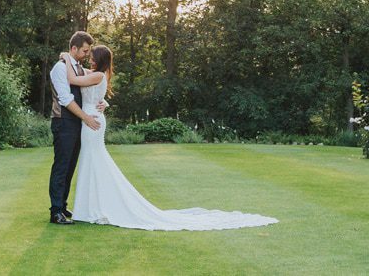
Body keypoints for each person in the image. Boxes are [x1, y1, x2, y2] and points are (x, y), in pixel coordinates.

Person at [59, 45, 277, 231]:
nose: (89, 59)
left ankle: (92, 208)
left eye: (92, 56)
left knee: (94, 160)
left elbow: (72, 78)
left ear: (100, 59)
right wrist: (103, 100)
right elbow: (83, 78)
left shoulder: (97, 75)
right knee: (91, 160)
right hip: (91, 118)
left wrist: (66, 57)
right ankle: (88, 207)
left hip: (92, 122)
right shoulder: (97, 74)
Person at [47, 30, 105, 224]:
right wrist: (87, 118)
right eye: (84, 51)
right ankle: (55, 211)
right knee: (61, 166)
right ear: (73, 48)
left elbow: (99, 82)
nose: (87, 55)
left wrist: (105, 103)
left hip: (77, 122)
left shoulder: (78, 67)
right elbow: (65, 99)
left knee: (70, 166)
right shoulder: (60, 67)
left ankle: (62, 206)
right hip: (63, 122)